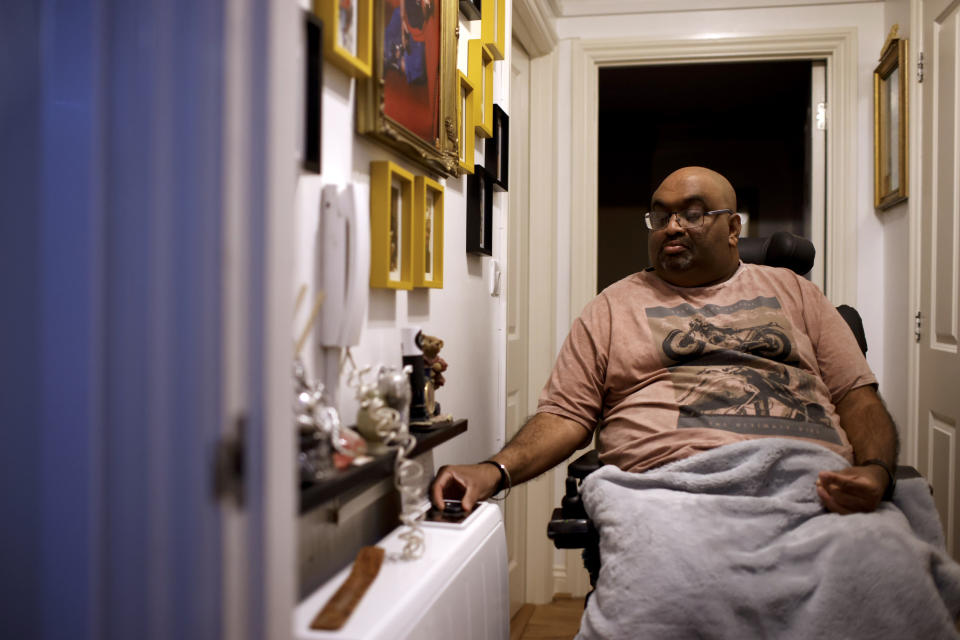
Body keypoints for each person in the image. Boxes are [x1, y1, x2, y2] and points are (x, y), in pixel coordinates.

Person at [431, 166, 898, 516]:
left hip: (813, 486)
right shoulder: (612, 307)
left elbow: (856, 397)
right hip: (670, 493)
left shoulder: (796, 292)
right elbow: (566, 415)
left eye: (693, 213)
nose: (672, 226)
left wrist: (876, 470)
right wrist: (492, 471)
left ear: (734, 228)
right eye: (660, 215)